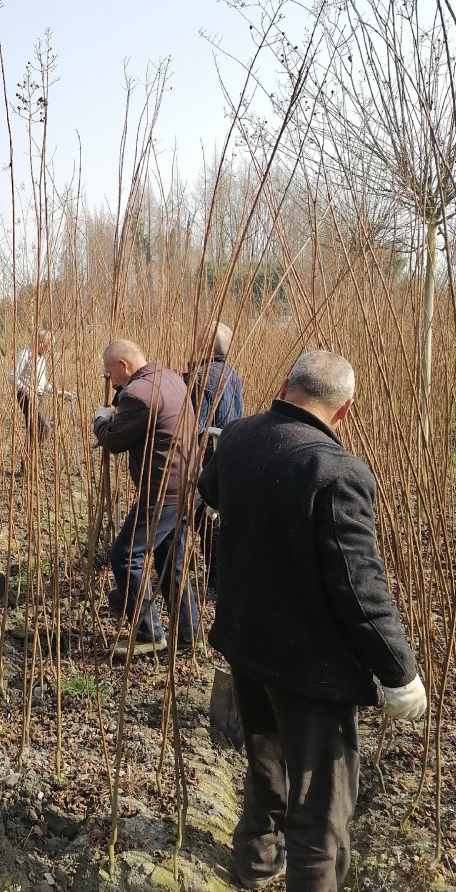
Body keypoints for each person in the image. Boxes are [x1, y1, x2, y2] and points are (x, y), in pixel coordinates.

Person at [197, 350, 427, 892]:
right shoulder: (335, 470)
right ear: (343, 411)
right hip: (310, 668)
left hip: (246, 641)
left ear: (287, 385)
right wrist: (399, 671)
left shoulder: (237, 437)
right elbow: (358, 584)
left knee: (267, 765)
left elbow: (209, 495)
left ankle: (253, 865)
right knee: (323, 804)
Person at [93, 339, 200, 657]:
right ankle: (189, 631)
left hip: (162, 492)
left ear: (123, 365)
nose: (110, 379)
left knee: (125, 555)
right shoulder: (169, 378)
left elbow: (115, 440)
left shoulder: (138, 395)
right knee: (172, 561)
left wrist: (100, 421)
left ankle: (148, 633)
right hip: (188, 484)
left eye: (110, 372)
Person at [186, 321, 244, 589]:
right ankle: (221, 575)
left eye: (196, 338)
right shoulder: (232, 373)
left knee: (205, 516)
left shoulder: (198, 377)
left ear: (205, 345)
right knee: (215, 515)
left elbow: (193, 427)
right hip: (231, 452)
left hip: (206, 458)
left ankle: (217, 578)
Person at [8, 329, 72, 475]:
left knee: (34, 430)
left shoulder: (41, 358)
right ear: (42, 343)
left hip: (39, 397)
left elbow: (43, 383)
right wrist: (27, 390)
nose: (50, 349)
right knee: (43, 428)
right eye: (50, 345)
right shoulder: (25, 354)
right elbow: (12, 376)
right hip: (27, 397)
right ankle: (28, 463)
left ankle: (28, 466)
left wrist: (58, 392)